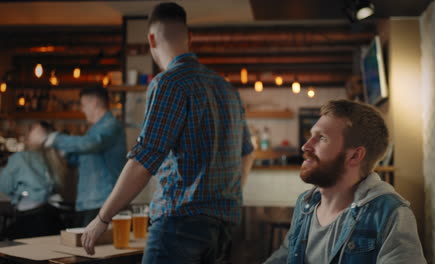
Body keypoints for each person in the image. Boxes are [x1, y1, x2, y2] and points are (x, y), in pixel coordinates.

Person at [81, 2, 255, 263]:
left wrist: (102, 217)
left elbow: (144, 159)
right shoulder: (225, 88)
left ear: (151, 38)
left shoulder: (168, 83)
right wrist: (224, 200)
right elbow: (247, 154)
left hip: (179, 223)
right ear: (190, 37)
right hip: (222, 227)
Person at [264, 100, 426, 264]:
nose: (305, 146)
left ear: (355, 156)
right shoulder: (305, 204)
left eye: (321, 138)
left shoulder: (391, 214)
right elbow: (285, 257)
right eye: (310, 136)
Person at [30, 87, 127, 227]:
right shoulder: (95, 129)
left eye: (83, 105)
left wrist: (50, 139)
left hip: (103, 201)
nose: (82, 110)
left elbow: (91, 143)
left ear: (94, 103)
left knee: (95, 247)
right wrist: (64, 153)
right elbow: (85, 157)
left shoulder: (110, 125)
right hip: (91, 201)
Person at [0, 121, 67, 238]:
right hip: (53, 219)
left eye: (31, 129)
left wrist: (18, 193)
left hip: (28, 220)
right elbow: (58, 185)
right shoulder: (55, 159)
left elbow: (4, 185)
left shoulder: (21, 158)